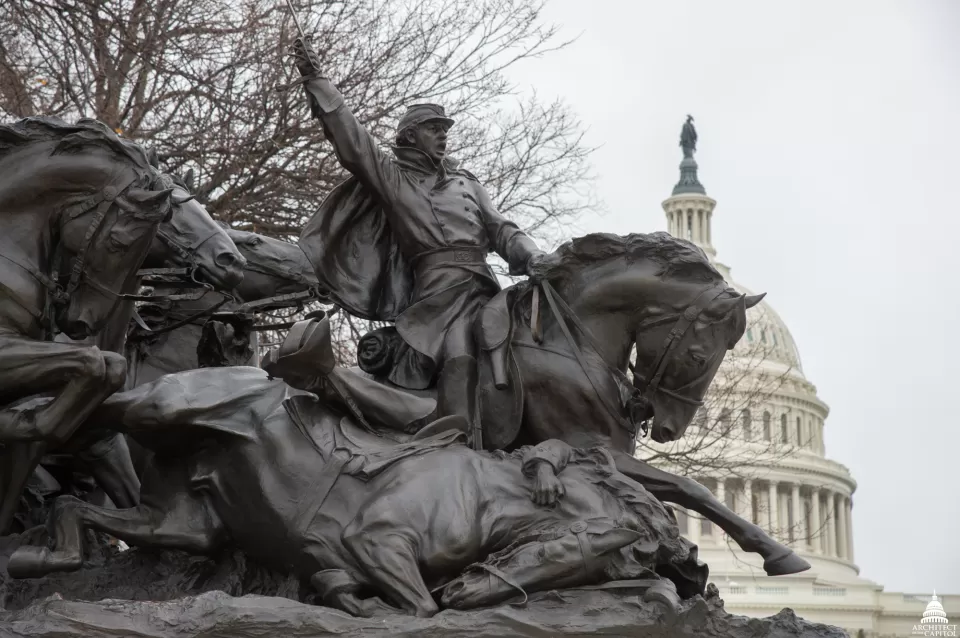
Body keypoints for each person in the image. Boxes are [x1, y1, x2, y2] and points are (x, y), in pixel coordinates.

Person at [292, 38, 546, 445]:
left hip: (484, 287)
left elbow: (501, 229)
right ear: (410, 137)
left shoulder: (467, 184)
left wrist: (532, 256)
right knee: (462, 344)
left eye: (445, 130)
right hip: (438, 298)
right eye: (434, 129)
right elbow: (352, 142)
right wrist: (316, 79)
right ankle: (456, 437)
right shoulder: (396, 180)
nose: (443, 136)